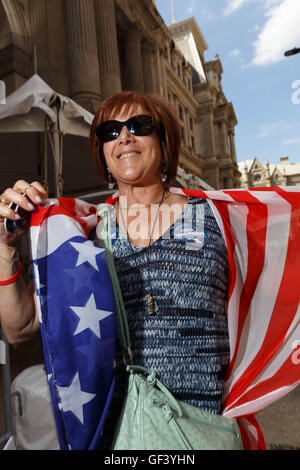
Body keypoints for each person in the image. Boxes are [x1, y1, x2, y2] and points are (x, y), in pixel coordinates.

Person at [0, 91, 232, 448]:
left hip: (202, 432)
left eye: (140, 126)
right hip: (120, 436)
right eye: (110, 131)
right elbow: (20, 328)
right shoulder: (84, 234)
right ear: (103, 154)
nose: (124, 137)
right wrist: (5, 247)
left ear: (165, 142)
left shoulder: (218, 219)